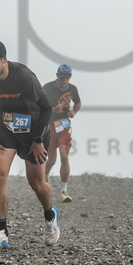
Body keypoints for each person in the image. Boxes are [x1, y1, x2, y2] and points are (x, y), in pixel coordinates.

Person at [0, 38, 60, 248]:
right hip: (6, 126)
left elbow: (47, 108)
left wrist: (39, 139)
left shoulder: (23, 77)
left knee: (36, 183)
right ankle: (2, 233)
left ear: (4, 59)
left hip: (34, 128)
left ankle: (50, 216)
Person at [43, 64, 82, 202]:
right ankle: (45, 177)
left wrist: (74, 112)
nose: (64, 81)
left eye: (66, 78)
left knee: (64, 157)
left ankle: (64, 191)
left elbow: (77, 102)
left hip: (64, 125)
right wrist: (53, 109)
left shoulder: (72, 89)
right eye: (61, 78)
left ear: (70, 77)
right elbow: (39, 106)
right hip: (49, 126)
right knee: (51, 159)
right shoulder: (47, 88)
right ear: (57, 76)